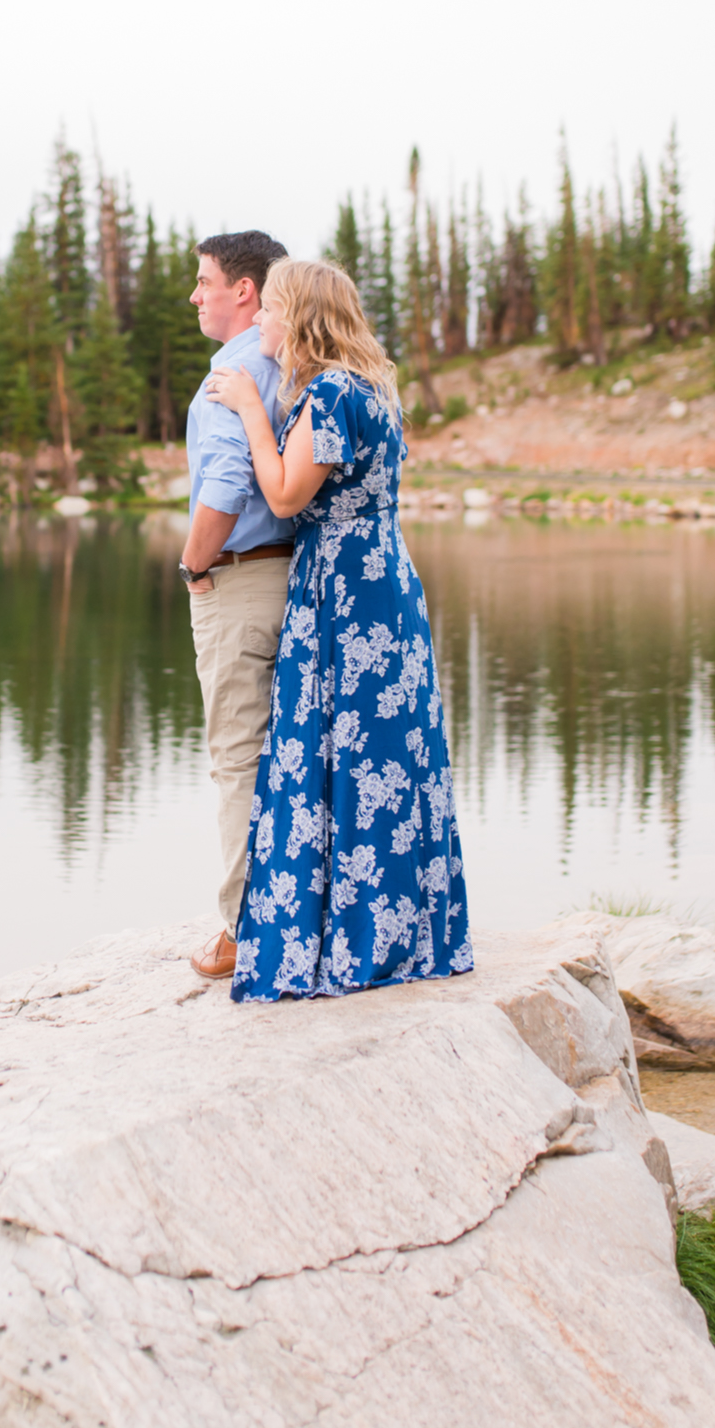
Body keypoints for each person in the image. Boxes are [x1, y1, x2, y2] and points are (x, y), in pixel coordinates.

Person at [206, 257, 473, 1001]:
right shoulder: (372, 388)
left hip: (344, 592)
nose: (260, 319)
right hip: (385, 579)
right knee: (383, 757)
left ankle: (341, 940)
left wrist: (253, 416)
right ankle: (397, 932)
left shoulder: (326, 392)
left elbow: (288, 496)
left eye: (271, 309)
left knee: (341, 753)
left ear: (300, 317)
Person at [180, 230, 296, 980]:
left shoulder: (236, 365)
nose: (196, 296)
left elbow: (225, 486)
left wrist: (192, 564)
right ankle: (298, 911)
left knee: (237, 758)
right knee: (293, 754)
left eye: (204, 281)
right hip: (298, 577)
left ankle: (241, 931)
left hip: (241, 576)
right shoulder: (295, 357)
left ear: (244, 292)